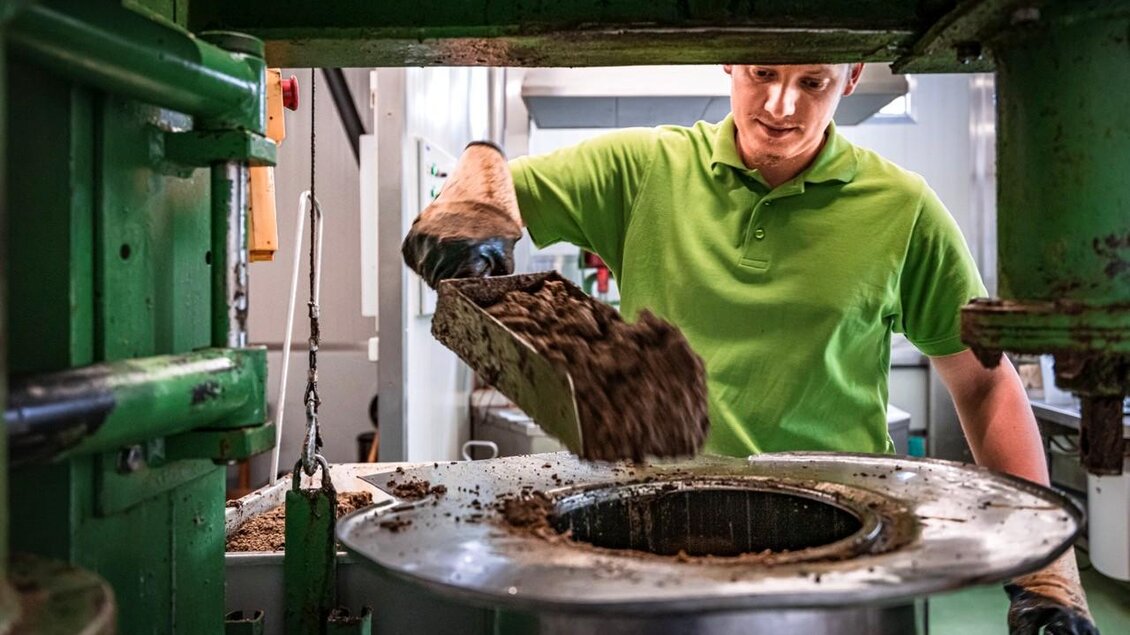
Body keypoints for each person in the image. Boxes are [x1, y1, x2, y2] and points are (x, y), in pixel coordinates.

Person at [402, 63, 1097, 634]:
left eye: (814, 82)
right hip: (652, 548)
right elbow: (501, 189)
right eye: (763, 72)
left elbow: (985, 385)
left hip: (847, 558)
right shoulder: (645, 171)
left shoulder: (903, 209)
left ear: (851, 76)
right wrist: (476, 180)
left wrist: (1047, 573)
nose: (782, 104)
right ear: (729, 61)